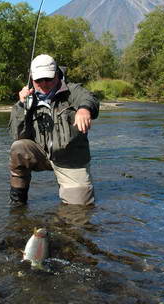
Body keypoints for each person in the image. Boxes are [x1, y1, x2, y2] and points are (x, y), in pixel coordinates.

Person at [8, 54, 99, 207]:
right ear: (32, 78)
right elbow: (18, 135)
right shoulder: (28, 99)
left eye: (48, 79)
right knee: (18, 148)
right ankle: (18, 204)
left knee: (79, 212)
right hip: (41, 154)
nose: (44, 84)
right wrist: (22, 106)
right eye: (39, 80)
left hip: (71, 158)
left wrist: (84, 109)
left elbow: (89, 98)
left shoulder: (71, 90)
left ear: (56, 74)